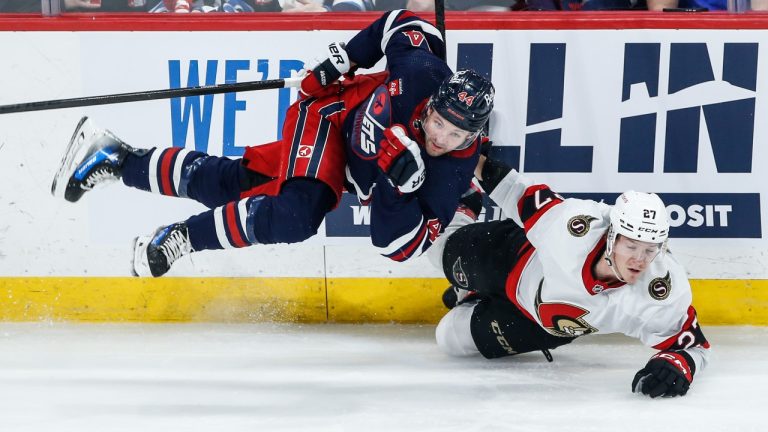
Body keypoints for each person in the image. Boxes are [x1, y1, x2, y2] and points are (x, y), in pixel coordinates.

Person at [51, 9, 495, 278]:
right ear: (433, 103)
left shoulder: (451, 173)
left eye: (455, 135)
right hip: (328, 115)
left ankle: (115, 158)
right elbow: (403, 23)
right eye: (438, 122)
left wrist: (397, 191)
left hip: (343, 165)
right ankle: (184, 237)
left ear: (472, 137)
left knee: (235, 183)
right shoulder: (421, 74)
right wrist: (343, 60)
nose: (440, 137)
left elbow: (395, 247)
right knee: (297, 214)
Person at [426, 153, 711, 398]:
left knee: (449, 338)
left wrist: (679, 364)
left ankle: (470, 295)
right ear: (611, 238)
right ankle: (467, 204)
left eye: (650, 249)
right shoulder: (575, 226)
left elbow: (694, 346)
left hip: (537, 326)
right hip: (510, 258)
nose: (640, 260)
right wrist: (468, 155)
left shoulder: (661, 286)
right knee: (437, 249)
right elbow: (517, 192)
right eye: (631, 246)